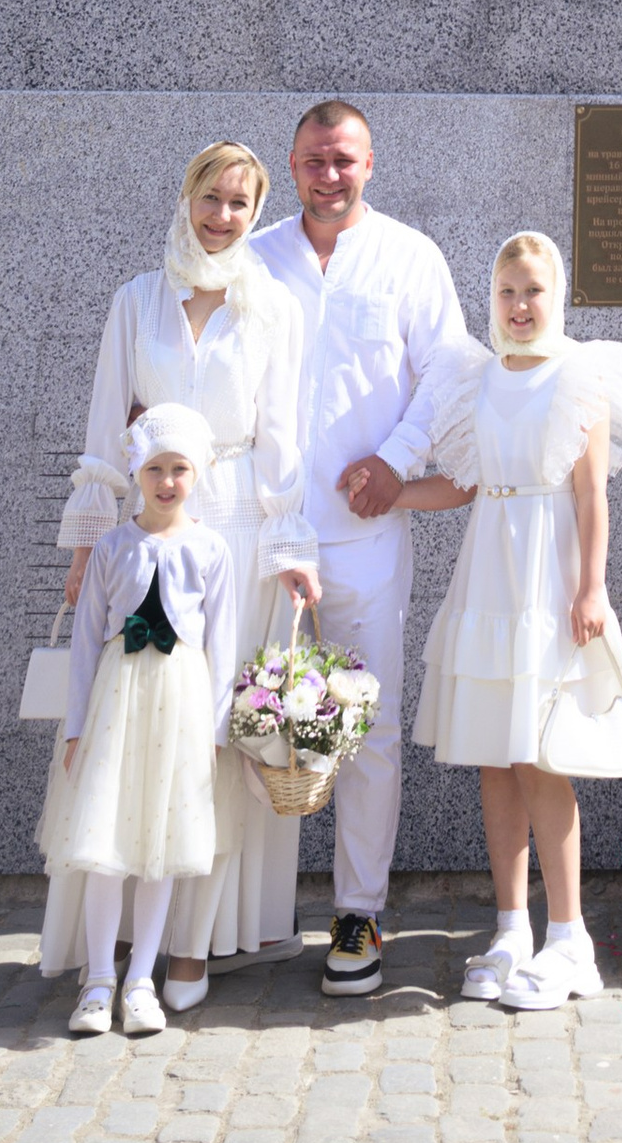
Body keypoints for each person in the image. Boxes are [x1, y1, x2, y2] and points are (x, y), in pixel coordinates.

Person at [46, 143, 320, 1009]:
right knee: (132, 726)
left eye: (242, 203)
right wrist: (90, 545)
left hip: (234, 529)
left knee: (212, 739)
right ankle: (112, 952)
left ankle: (193, 948)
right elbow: (102, 430)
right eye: (212, 198)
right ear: (187, 196)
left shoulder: (270, 306)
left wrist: (292, 553)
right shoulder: (136, 299)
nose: (224, 216)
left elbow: (284, 440)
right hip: (146, 529)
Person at [392, 230, 622, 1013]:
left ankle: (570, 939)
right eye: (506, 292)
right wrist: (389, 494)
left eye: (533, 290)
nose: (520, 305)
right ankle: (510, 928)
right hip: (488, 577)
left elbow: (591, 496)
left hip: (550, 577)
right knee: (495, 758)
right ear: (491, 299)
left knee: (543, 755)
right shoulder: (478, 379)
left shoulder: (581, 377)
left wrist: (591, 588)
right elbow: (462, 486)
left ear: (556, 294)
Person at [251, 97, 466, 996]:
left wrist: (396, 459)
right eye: (312, 160)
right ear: (290, 165)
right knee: (257, 726)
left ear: (370, 164)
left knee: (362, 733)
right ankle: (245, 917)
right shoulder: (256, 257)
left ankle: (357, 912)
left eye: (343, 159)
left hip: (370, 535)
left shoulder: (410, 258)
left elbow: (451, 370)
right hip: (266, 535)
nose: (328, 175)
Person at [39, 403, 237, 1041]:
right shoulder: (113, 548)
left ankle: (142, 980)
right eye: (156, 468)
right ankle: (99, 979)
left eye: (180, 469)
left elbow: (223, 647)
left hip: (179, 708)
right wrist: (75, 726)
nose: (168, 481)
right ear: (138, 472)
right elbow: (86, 641)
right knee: (105, 847)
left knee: (159, 846)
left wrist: (214, 732)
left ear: (197, 473)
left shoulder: (210, 550)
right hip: (116, 705)